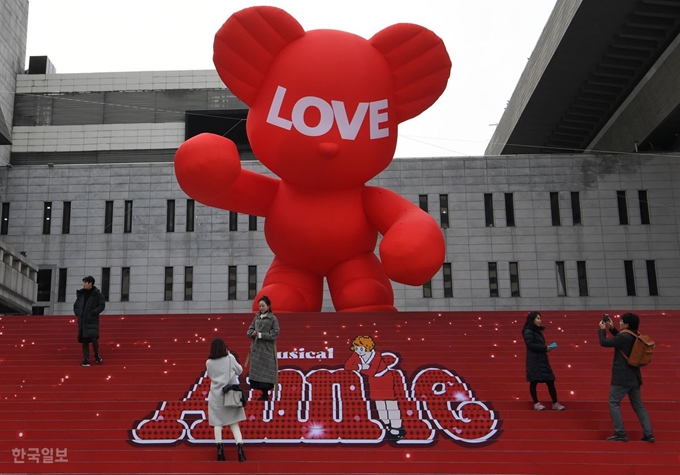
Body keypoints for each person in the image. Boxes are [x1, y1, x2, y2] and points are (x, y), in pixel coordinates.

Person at [598, 312, 655, 442]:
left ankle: (620, 433)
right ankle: (648, 433)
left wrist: (602, 330)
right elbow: (621, 340)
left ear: (627, 324)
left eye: (622, 321)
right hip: (635, 376)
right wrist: (612, 328)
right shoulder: (635, 335)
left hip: (622, 377)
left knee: (613, 402)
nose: (620, 322)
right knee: (638, 406)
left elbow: (604, 343)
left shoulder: (624, 336)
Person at [345, 335, 405, 441]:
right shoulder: (356, 354)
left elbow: (371, 371)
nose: (359, 351)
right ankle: (387, 424)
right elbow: (348, 366)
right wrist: (361, 367)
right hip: (373, 381)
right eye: (357, 348)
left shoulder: (376, 355)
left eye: (361, 349)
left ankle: (396, 426)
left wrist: (360, 367)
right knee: (379, 402)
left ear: (368, 347)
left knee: (390, 402)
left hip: (385, 378)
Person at [206, 337, 247, 462]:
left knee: (217, 424)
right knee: (234, 423)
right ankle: (240, 450)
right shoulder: (230, 358)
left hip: (215, 396)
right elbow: (240, 371)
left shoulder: (209, 362)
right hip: (230, 394)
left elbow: (210, 375)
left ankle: (219, 451)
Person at [521, 312, 565, 411]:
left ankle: (555, 403)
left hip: (541, 359)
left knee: (550, 380)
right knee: (534, 381)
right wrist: (545, 348)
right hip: (534, 360)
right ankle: (536, 403)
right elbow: (530, 345)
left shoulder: (536, 331)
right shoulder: (528, 331)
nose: (540, 320)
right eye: (537, 318)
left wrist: (546, 348)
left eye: (540, 318)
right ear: (532, 319)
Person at [246, 296, 280, 401]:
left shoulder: (272, 318)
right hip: (256, 349)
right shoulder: (256, 317)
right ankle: (261, 392)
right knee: (256, 372)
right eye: (259, 306)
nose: (261, 308)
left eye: (263, 306)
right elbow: (249, 330)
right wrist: (252, 333)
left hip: (267, 349)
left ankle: (266, 393)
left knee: (266, 371)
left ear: (268, 306)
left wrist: (261, 335)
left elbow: (275, 333)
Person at [73, 275, 106, 367]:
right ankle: (86, 359)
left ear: (90, 283)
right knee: (84, 340)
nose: (84, 284)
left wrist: (94, 312)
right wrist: (78, 313)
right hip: (82, 320)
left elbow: (101, 305)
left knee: (93, 338)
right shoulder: (81, 294)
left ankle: (96, 355)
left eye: (85, 282)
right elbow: (75, 306)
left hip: (92, 320)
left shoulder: (97, 294)